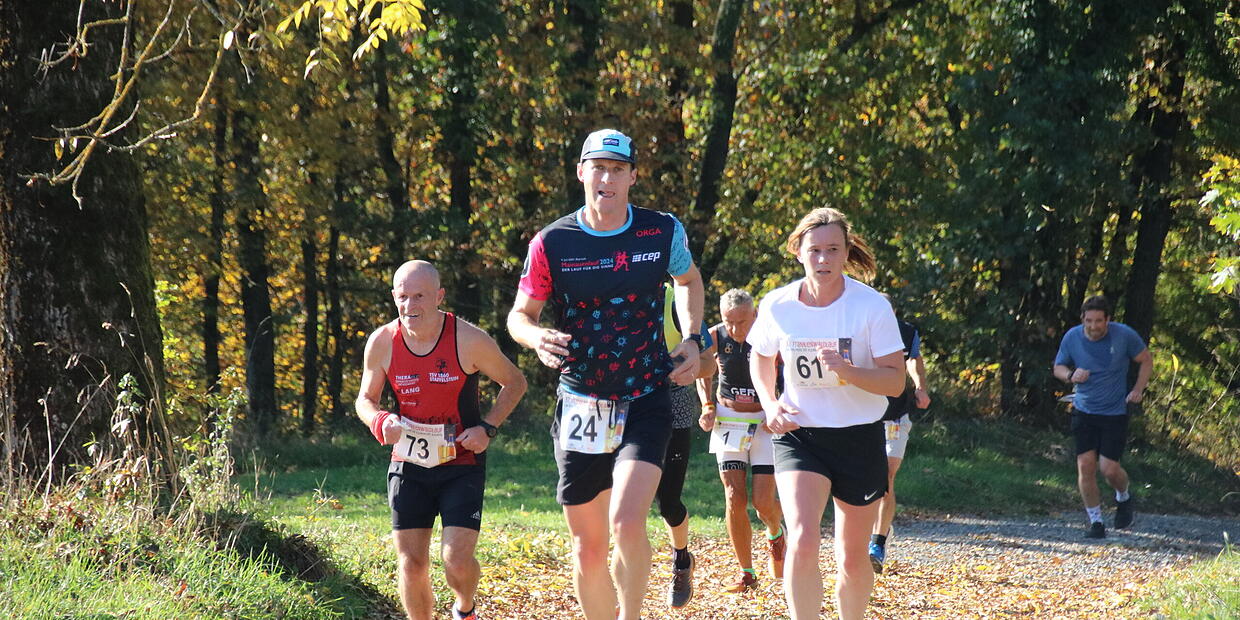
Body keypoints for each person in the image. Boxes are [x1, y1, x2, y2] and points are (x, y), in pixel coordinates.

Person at [506, 129, 706, 620]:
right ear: (581, 172)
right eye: (598, 167)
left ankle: (630, 615)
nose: (607, 178)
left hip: (646, 395)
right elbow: (519, 317)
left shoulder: (661, 231)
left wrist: (692, 337)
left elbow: (688, 280)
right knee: (587, 548)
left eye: (618, 169)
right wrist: (536, 338)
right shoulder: (552, 242)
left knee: (627, 520)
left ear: (633, 177)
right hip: (583, 400)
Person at [748, 207, 905, 620]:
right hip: (800, 435)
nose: (823, 259)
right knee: (802, 538)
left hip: (859, 436)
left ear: (846, 252)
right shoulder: (778, 304)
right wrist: (770, 403)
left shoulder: (871, 306)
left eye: (833, 250)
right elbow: (759, 357)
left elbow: (895, 382)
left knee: (852, 557)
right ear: (798, 252)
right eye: (814, 250)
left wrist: (848, 371)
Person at [356, 260, 528, 620]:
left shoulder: (467, 339)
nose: (410, 305)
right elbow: (365, 400)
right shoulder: (382, 342)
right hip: (408, 462)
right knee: (411, 563)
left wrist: (487, 428)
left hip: (461, 461)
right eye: (403, 297)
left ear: (439, 296)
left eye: (420, 296)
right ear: (394, 297)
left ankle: (465, 608)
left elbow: (515, 382)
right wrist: (380, 419)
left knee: (457, 561)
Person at [697, 288, 785, 593]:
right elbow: (703, 369)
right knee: (734, 496)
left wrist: (777, 409)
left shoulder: (770, 334)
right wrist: (707, 406)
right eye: (729, 322)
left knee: (762, 503)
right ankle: (746, 572)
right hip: (729, 419)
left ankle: (775, 531)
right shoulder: (714, 336)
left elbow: (788, 376)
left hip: (764, 422)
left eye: (742, 322)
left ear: (755, 315)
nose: (735, 329)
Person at [1053, 294, 1152, 539]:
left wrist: (1138, 389)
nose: (1093, 326)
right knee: (1085, 465)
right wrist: (1071, 376)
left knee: (1109, 469)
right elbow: (1058, 367)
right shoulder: (1072, 337)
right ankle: (1096, 522)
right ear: (1082, 319)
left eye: (1098, 321)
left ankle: (1123, 497)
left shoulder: (1123, 335)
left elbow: (1146, 360)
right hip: (1083, 410)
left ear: (1108, 320)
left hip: (1114, 411)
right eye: (1088, 321)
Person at [656, 283, 716, 608]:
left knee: (668, 502)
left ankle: (682, 560)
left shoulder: (676, 299)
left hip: (672, 404)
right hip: (622, 406)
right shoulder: (610, 290)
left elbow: (709, 364)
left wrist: (690, 370)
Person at [868, 300, 931, 574]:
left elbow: (914, 360)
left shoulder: (906, 331)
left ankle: (877, 543)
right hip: (864, 417)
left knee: (885, 477)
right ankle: (870, 531)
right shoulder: (860, 330)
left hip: (895, 417)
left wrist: (920, 387)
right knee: (866, 479)